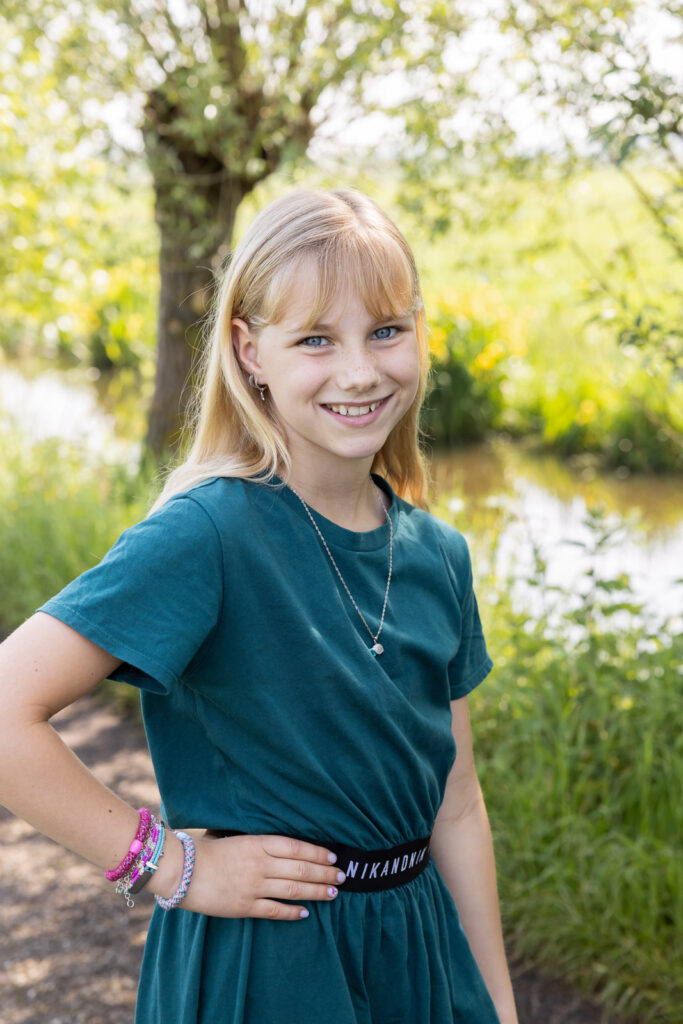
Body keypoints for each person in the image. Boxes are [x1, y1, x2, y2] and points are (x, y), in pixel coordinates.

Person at [0, 189, 518, 1024]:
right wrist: (168, 868)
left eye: (385, 330)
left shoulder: (439, 557)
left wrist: (496, 1002)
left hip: (416, 956)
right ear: (250, 352)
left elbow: (456, 803)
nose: (359, 370)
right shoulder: (207, 534)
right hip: (263, 964)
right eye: (315, 339)